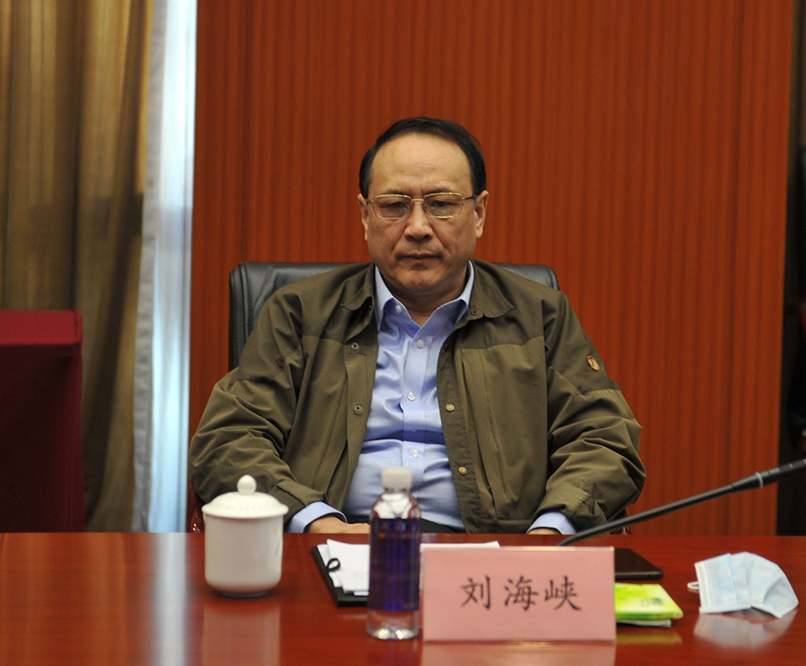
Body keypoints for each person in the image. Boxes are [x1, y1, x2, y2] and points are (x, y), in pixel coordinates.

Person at [189, 117, 646, 535]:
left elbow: (604, 439)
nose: (418, 227)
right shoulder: (300, 313)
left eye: (442, 204)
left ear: (479, 213)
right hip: (335, 545)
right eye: (394, 206)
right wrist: (317, 522)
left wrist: (551, 531)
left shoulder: (539, 316)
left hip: (494, 556)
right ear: (365, 215)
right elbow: (228, 439)